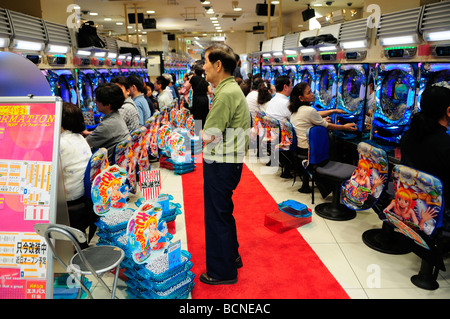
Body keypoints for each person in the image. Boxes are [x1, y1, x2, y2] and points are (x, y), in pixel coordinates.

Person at [200, 43, 250, 285]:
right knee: (223, 213)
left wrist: (193, 136)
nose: (203, 68)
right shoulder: (230, 89)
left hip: (221, 163)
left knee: (216, 217)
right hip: (229, 162)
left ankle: (222, 272)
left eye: (206, 63)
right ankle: (232, 256)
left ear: (218, 65)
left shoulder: (226, 93)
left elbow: (209, 133)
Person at [289, 82, 357, 193]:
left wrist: (333, 110)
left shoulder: (297, 109)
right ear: (301, 98)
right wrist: (345, 127)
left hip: (299, 148)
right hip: (310, 150)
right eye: (309, 92)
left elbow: (316, 114)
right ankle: (335, 183)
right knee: (334, 142)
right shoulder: (309, 110)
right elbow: (328, 125)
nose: (312, 94)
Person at [400, 83, 450, 230]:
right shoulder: (445, 144)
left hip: (412, 200)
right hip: (437, 207)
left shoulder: (408, 136)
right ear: (448, 111)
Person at [60, 102, 96, 249]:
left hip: (70, 199)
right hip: (84, 196)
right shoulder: (80, 138)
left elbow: (52, 173)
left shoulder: (61, 143)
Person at [84, 83, 130, 164]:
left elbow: (84, 145)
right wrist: (91, 133)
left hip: (107, 169)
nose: (95, 102)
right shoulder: (117, 117)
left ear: (108, 105)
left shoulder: (107, 125)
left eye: (98, 100)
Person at [187, 61, 212, 134]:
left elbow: (187, 87)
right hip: (204, 99)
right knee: (204, 115)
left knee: (197, 116)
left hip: (197, 98)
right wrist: (204, 93)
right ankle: (205, 132)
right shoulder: (205, 80)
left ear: (195, 71)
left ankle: (198, 133)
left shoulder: (193, 78)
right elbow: (210, 91)